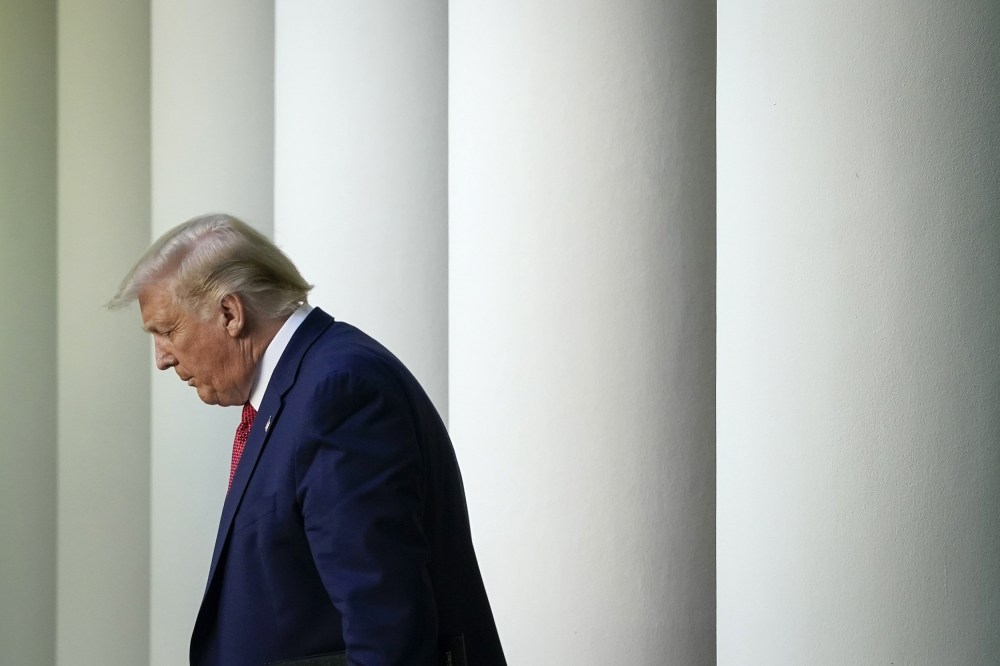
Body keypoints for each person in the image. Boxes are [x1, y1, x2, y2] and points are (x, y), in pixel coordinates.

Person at [110, 213, 505, 666]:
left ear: (230, 313)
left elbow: (387, 627)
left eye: (167, 329)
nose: (162, 358)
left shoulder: (337, 394)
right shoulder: (304, 390)